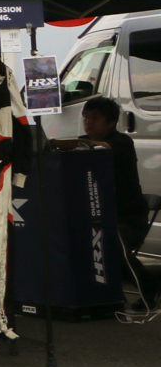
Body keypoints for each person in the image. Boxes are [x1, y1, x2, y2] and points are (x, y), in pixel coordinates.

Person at [51, 96, 151, 273]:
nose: (88, 122)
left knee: (111, 248)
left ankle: (151, 290)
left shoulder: (122, 142)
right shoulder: (81, 142)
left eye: (95, 118)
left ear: (111, 122)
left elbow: (97, 147)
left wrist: (54, 143)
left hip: (127, 218)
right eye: (86, 117)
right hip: (95, 217)